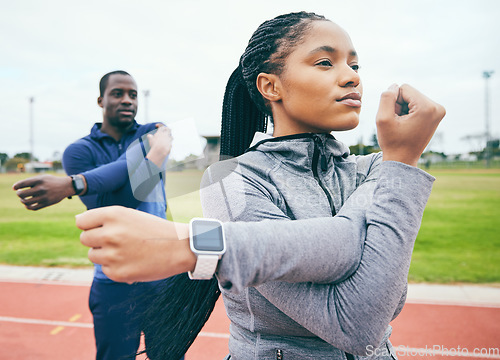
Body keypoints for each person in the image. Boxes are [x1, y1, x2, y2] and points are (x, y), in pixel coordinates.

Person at [75, 12, 446, 360]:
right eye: (325, 62)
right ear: (270, 86)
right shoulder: (229, 182)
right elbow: (357, 322)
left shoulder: (381, 166)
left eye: (354, 64)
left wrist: (200, 247)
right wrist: (399, 166)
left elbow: (383, 295)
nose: (351, 77)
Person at [12, 70, 184, 360]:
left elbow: (131, 188)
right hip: (113, 278)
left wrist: (74, 183)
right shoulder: (78, 152)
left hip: (161, 273)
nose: (127, 100)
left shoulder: (153, 130)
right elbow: (116, 204)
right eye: (118, 93)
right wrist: (152, 159)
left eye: (133, 94)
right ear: (100, 100)